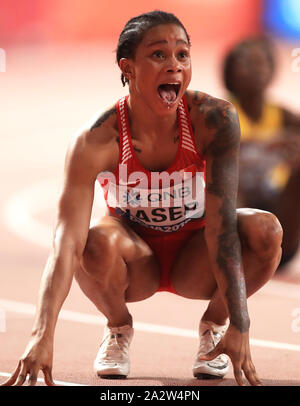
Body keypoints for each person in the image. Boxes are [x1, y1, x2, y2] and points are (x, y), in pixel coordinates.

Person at [1, 11, 283, 387]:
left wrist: (239, 320)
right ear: (127, 67)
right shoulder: (96, 140)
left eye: (183, 55)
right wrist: (42, 332)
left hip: (194, 255)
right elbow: (66, 242)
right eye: (158, 55)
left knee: (266, 230)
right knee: (93, 242)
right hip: (134, 261)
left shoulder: (212, 118)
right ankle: (118, 327)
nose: (175, 66)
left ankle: (213, 329)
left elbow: (221, 227)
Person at [223, 36, 300, 270]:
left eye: (261, 64)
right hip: (236, 205)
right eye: (247, 64)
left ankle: (277, 248)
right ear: (230, 72)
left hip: (277, 209)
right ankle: (232, 249)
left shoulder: (283, 116)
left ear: (272, 70)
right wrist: (263, 144)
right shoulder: (220, 112)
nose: (256, 71)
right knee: (227, 176)